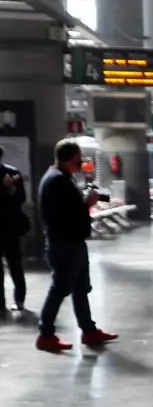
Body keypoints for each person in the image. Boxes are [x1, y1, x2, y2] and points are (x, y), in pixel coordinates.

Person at [35, 138, 117, 352]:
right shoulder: (57, 180)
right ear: (73, 158)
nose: (82, 162)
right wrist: (87, 204)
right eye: (80, 158)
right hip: (64, 244)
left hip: (71, 242)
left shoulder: (60, 178)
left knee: (80, 288)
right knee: (60, 288)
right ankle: (45, 334)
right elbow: (66, 215)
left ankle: (89, 331)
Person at [2, 158, 29, 311]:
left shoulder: (12, 173)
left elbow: (21, 198)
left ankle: (19, 300)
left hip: (10, 227)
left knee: (15, 265)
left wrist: (10, 188)